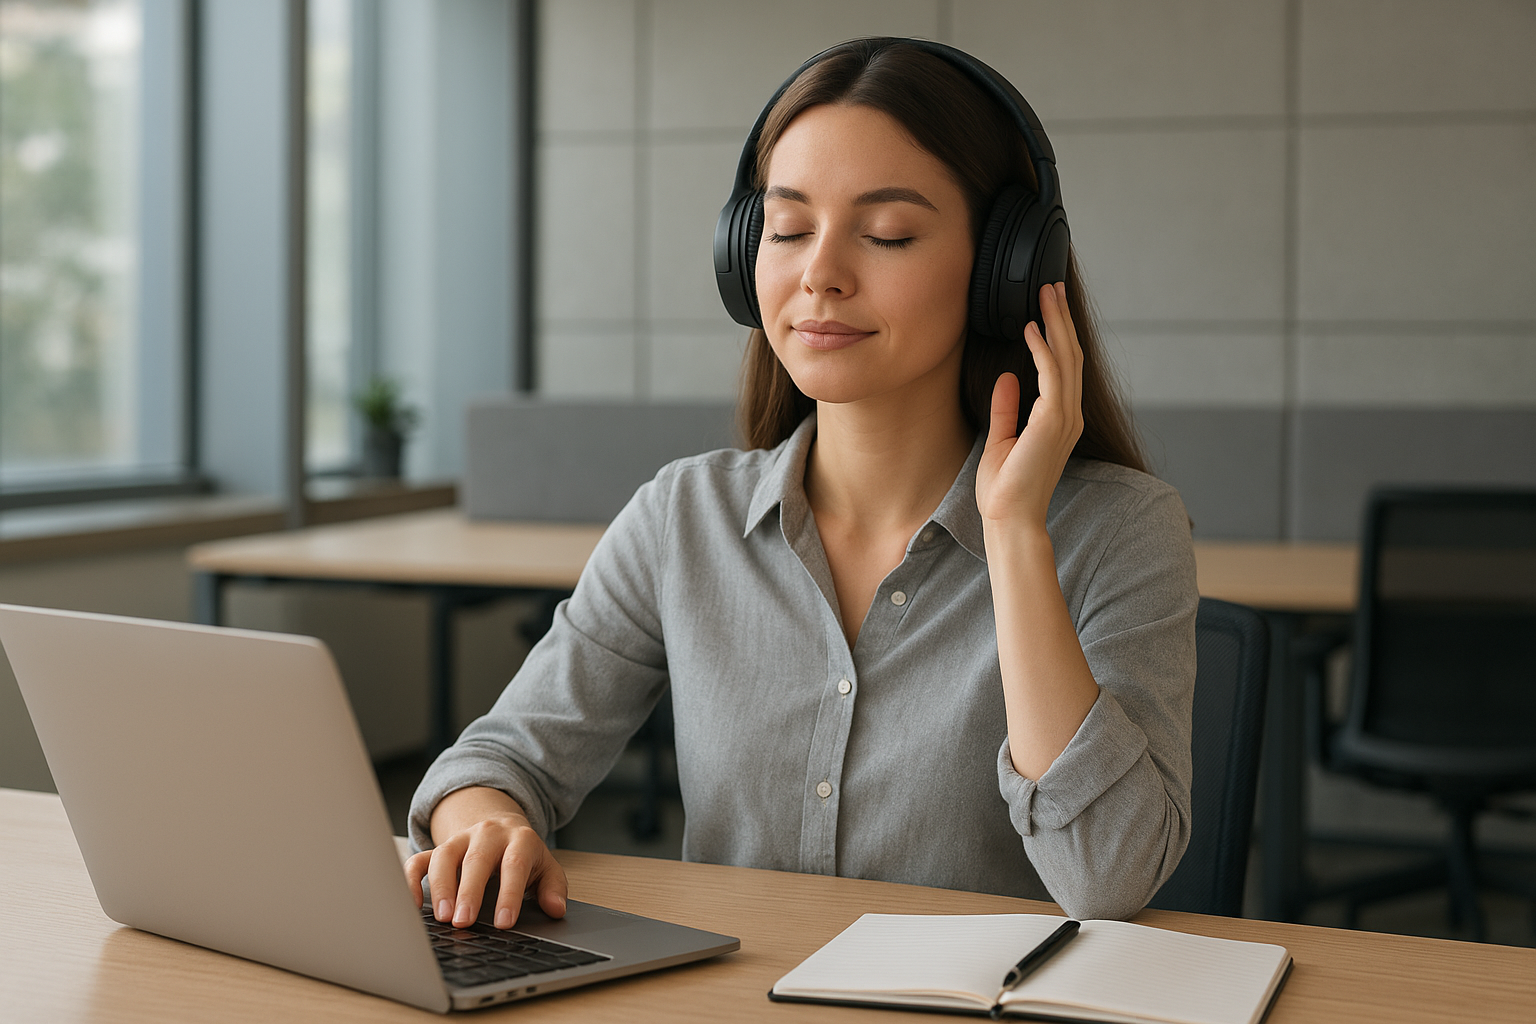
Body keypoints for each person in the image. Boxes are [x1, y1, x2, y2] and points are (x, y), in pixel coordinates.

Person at [405, 38, 1197, 929]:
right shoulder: (683, 517)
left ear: (1002, 269)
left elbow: (1108, 878)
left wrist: (1016, 537)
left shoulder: (1122, 530)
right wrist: (489, 823)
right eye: (786, 230)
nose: (820, 274)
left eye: (887, 234)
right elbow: (501, 759)